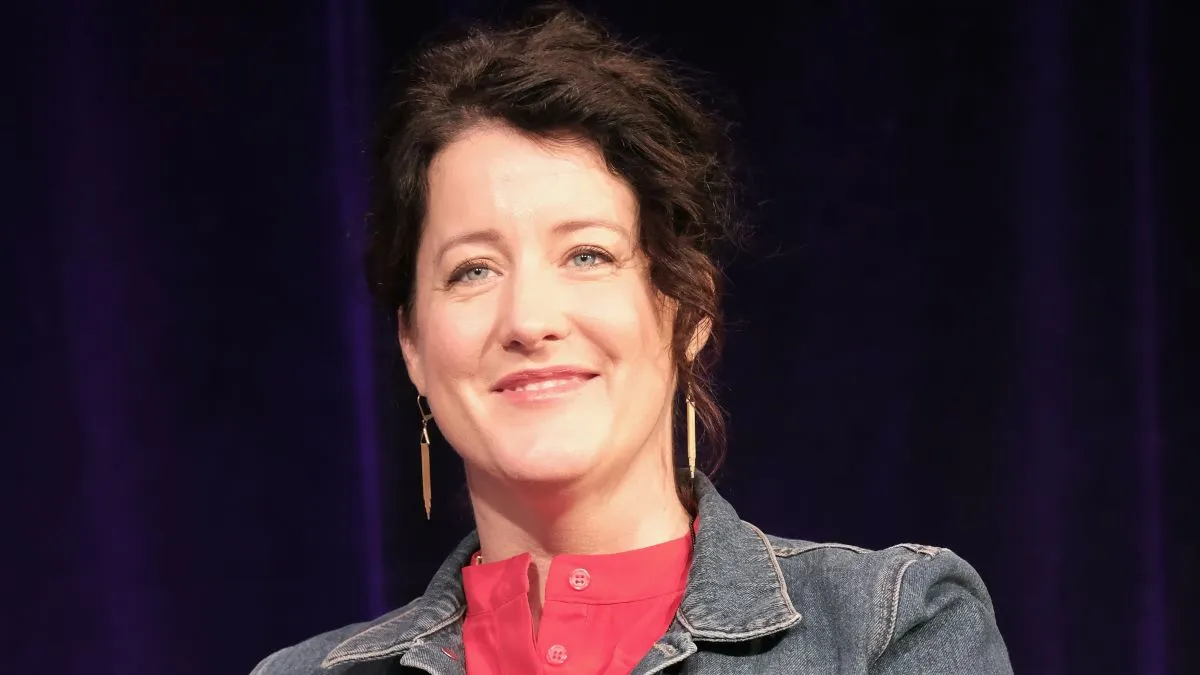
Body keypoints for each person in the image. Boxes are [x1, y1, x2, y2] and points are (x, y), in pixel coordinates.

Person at [252, 6, 1013, 674]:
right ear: (413, 344)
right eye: (473, 269)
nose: (528, 319)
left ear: (688, 307)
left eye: (587, 254)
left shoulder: (887, 627)